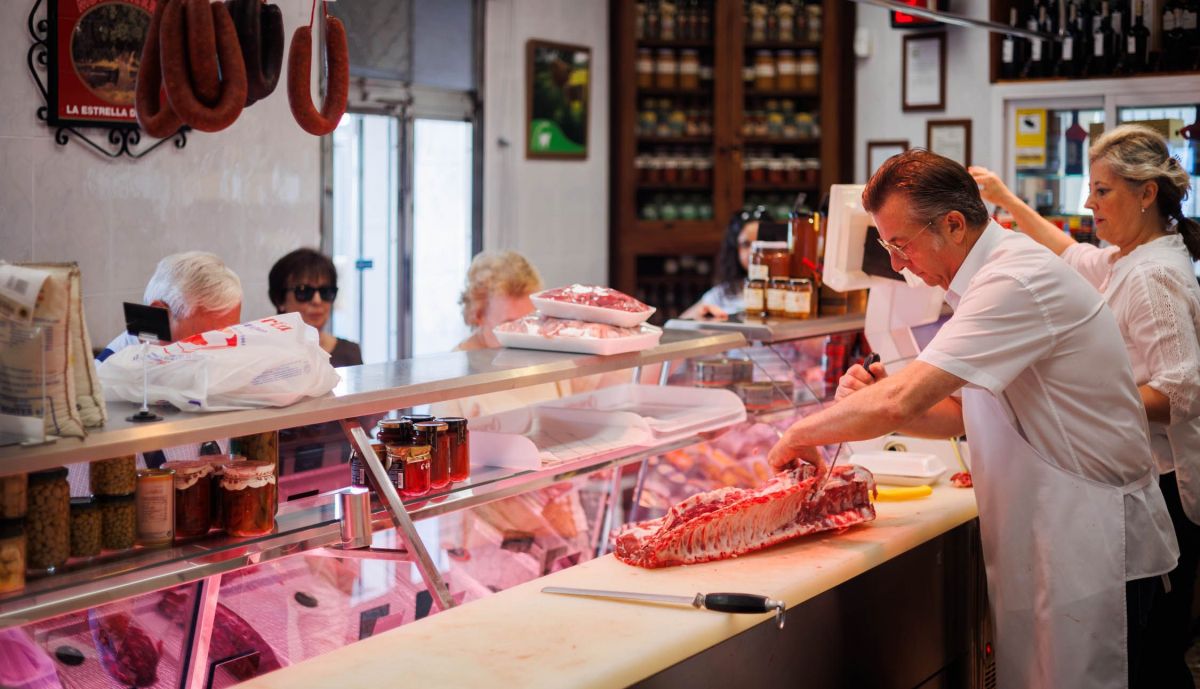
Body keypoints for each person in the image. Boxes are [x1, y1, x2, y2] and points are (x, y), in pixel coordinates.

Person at [765, 149, 1179, 689]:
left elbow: (902, 402)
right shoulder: (989, 276)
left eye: (900, 245)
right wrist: (875, 401)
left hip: (1092, 543)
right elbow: (958, 411)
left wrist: (799, 433)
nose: (897, 264)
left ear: (954, 225)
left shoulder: (1015, 279)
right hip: (1057, 537)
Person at [969, 124, 1200, 689]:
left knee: (1153, 654)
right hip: (1145, 473)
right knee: (1144, 649)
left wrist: (1084, 404)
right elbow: (1069, 253)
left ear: (1146, 194)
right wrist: (1004, 199)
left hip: (1167, 483)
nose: (1088, 203)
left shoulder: (1152, 276)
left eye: (1102, 191)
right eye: (1090, 189)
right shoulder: (1129, 257)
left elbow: (1181, 391)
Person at [97, 251, 242, 362]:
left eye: (228, 336)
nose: (221, 350)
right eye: (205, 339)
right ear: (157, 316)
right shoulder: (107, 377)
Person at [269, 248, 362, 367]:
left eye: (326, 292)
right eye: (304, 291)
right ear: (280, 300)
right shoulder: (264, 355)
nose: (317, 301)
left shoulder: (350, 353)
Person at [679, 207, 771, 320]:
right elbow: (678, 323)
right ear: (735, 249)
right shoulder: (724, 293)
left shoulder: (786, 289)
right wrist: (699, 316)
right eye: (746, 244)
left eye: (760, 243)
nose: (754, 252)